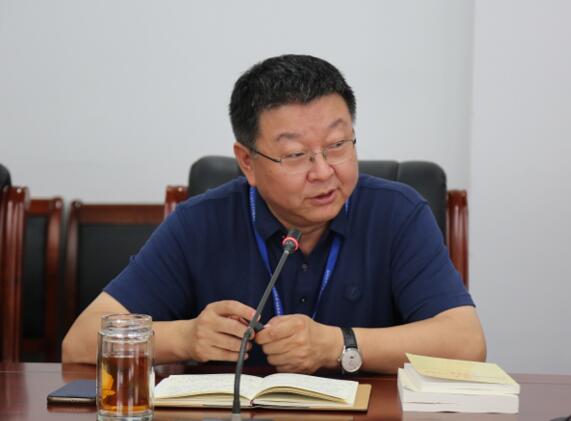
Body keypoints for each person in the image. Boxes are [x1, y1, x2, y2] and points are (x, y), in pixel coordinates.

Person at [62, 54, 486, 373]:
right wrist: (185, 338)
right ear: (247, 162)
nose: (324, 172)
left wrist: (338, 345)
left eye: (338, 145)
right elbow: (79, 343)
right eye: (296, 155)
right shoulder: (200, 223)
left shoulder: (397, 213)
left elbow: (466, 342)